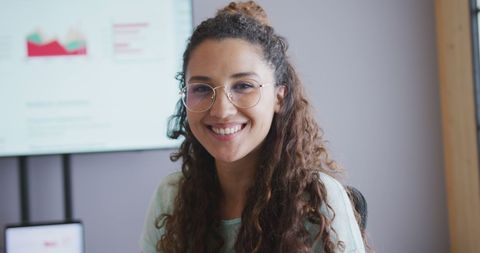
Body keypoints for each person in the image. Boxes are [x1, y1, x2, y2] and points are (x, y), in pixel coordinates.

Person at [140, 1, 367, 252]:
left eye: (243, 86)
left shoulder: (319, 200)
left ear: (279, 97)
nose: (221, 111)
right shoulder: (172, 197)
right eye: (202, 89)